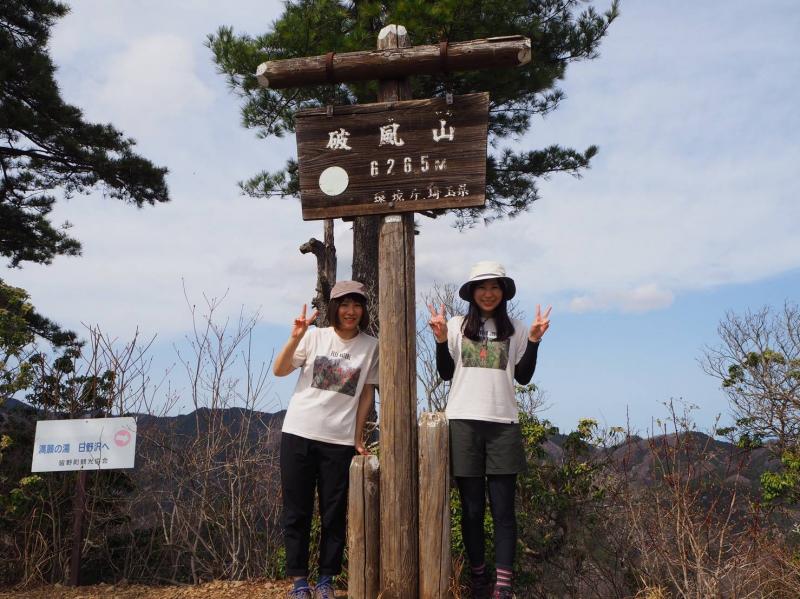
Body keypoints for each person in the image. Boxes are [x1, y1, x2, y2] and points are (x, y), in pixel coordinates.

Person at [428, 261, 551, 599]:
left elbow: (523, 377)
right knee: (470, 509)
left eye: (494, 286)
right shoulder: (455, 325)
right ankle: (479, 575)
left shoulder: (517, 328)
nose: (488, 293)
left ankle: (503, 585)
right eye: (481, 287)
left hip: (503, 424)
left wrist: (535, 341)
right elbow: (445, 373)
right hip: (463, 420)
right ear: (471, 293)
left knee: (502, 510)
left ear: (503, 292)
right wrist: (440, 340)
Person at [273, 280, 378, 599]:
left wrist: (358, 436)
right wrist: (295, 338)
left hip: (339, 440)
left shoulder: (371, 346)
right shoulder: (315, 336)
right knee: (297, 510)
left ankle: (326, 580)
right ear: (333, 307)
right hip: (299, 433)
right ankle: (299, 581)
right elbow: (279, 370)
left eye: (356, 305)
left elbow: (365, 396)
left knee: (334, 512)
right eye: (344, 305)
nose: (350, 311)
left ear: (363, 310)